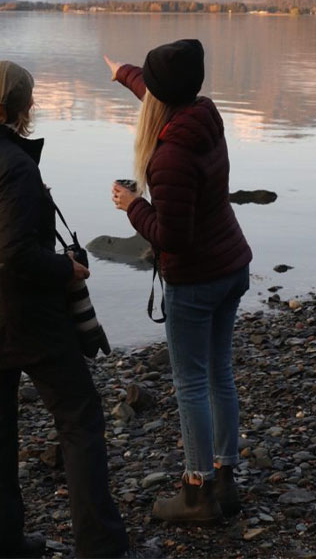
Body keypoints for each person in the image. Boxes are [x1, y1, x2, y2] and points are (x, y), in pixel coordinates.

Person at [0, 60, 129, 558]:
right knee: (79, 418)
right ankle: (100, 546)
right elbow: (14, 255)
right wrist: (67, 271)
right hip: (28, 320)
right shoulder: (15, 166)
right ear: (27, 109)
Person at [105, 40, 252, 525]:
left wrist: (132, 206)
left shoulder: (169, 158)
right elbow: (156, 90)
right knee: (220, 371)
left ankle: (197, 492)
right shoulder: (203, 115)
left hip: (198, 279)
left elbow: (173, 239)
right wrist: (122, 71)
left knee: (191, 381)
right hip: (231, 264)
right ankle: (226, 479)